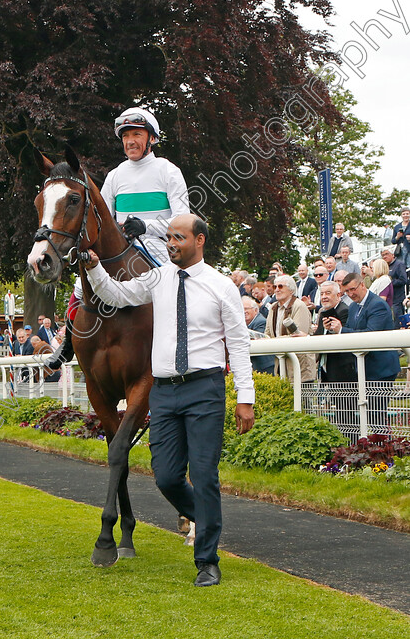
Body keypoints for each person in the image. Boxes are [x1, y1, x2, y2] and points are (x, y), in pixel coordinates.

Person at [84, 213, 254, 587]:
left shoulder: (221, 285)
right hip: (164, 391)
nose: (171, 243)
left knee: (205, 476)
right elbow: (117, 294)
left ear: (200, 241)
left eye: (178, 237)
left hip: (204, 390)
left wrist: (246, 397)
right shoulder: (158, 278)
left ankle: (207, 561)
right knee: (166, 478)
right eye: (169, 238)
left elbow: (239, 344)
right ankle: (209, 520)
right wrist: (96, 269)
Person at [51, 106, 189, 367]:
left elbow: (183, 221)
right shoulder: (115, 176)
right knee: (81, 287)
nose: (130, 141)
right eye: (126, 136)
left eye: (137, 134)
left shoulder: (168, 171)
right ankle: (69, 342)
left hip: (158, 246)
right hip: (120, 244)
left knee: (175, 285)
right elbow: (102, 216)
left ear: (152, 139)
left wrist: (146, 226)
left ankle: (182, 343)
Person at [323, 272, 401, 434]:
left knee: (376, 416)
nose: (351, 294)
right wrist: (335, 330)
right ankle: (375, 450)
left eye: (353, 289)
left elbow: (370, 335)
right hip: (365, 368)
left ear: (362, 285)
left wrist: (341, 330)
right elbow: (354, 331)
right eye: (347, 292)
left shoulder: (377, 304)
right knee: (371, 416)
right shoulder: (353, 306)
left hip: (381, 369)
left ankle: (385, 453)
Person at [264, 274, 316, 383]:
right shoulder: (273, 308)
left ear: (291, 290)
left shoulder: (299, 306)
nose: (277, 290)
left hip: (300, 368)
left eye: (281, 286)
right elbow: (267, 333)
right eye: (275, 287)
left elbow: (298, 336)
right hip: (281, 366)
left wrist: (271, 342)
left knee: (302, 400)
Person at [380, 246, 409, 324]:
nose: (384, 256)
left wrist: (389, 283)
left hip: (397, 299)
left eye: (386, 254)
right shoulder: (384, 267)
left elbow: (403, 280)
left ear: (392, 254)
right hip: (387, 300)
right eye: (383, 255)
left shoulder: (399, 264)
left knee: (398, 322)